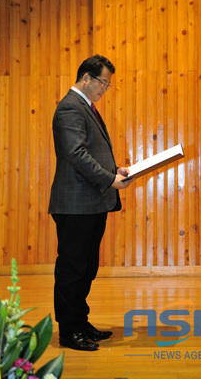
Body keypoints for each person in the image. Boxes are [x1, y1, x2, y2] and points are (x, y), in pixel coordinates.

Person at [48, 54, 134, 351]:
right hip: (75, 205)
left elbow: (89, 154)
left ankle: (80, 322)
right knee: (73, 269)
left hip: (91, 203)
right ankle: (69, 331)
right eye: (103, 83)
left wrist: (114, 172)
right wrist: (110, 180)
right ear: (86, 77)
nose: (105, 89)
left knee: (86, 268)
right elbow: (77, 154)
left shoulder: (85, 107)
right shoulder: (70, 108)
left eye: (107, 84)